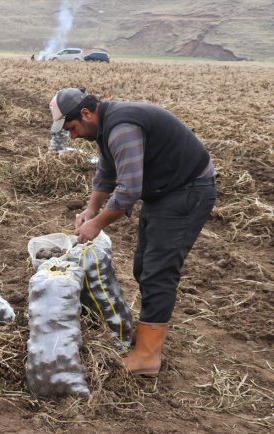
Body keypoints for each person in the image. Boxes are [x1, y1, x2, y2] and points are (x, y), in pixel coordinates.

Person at [49, 87, 216, 376]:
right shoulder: (105, 127)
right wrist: (90, 209)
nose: (72, 136)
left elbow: (128, 191)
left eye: (72, 128)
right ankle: (148, 335)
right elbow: (106, 172)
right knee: (143, 267)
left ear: (86, 114)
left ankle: (148, 357)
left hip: (187, 191)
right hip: (165, 191)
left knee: (158, 271)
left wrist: (96, 224)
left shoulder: (122, 128)